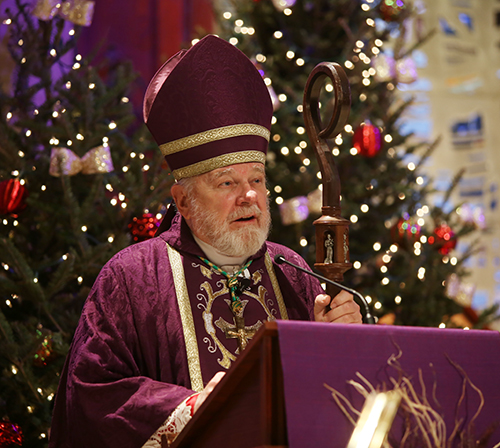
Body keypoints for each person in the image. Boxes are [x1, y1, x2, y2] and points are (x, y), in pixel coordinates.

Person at [49, 35, 362, 448]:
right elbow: (92, 393)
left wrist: (337, 341)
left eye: (256, 179)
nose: (248, 195)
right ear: (183, 200)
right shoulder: (132, 278)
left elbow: (327, 400)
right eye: (227, 182)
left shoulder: (293, 272)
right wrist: (192, 408)